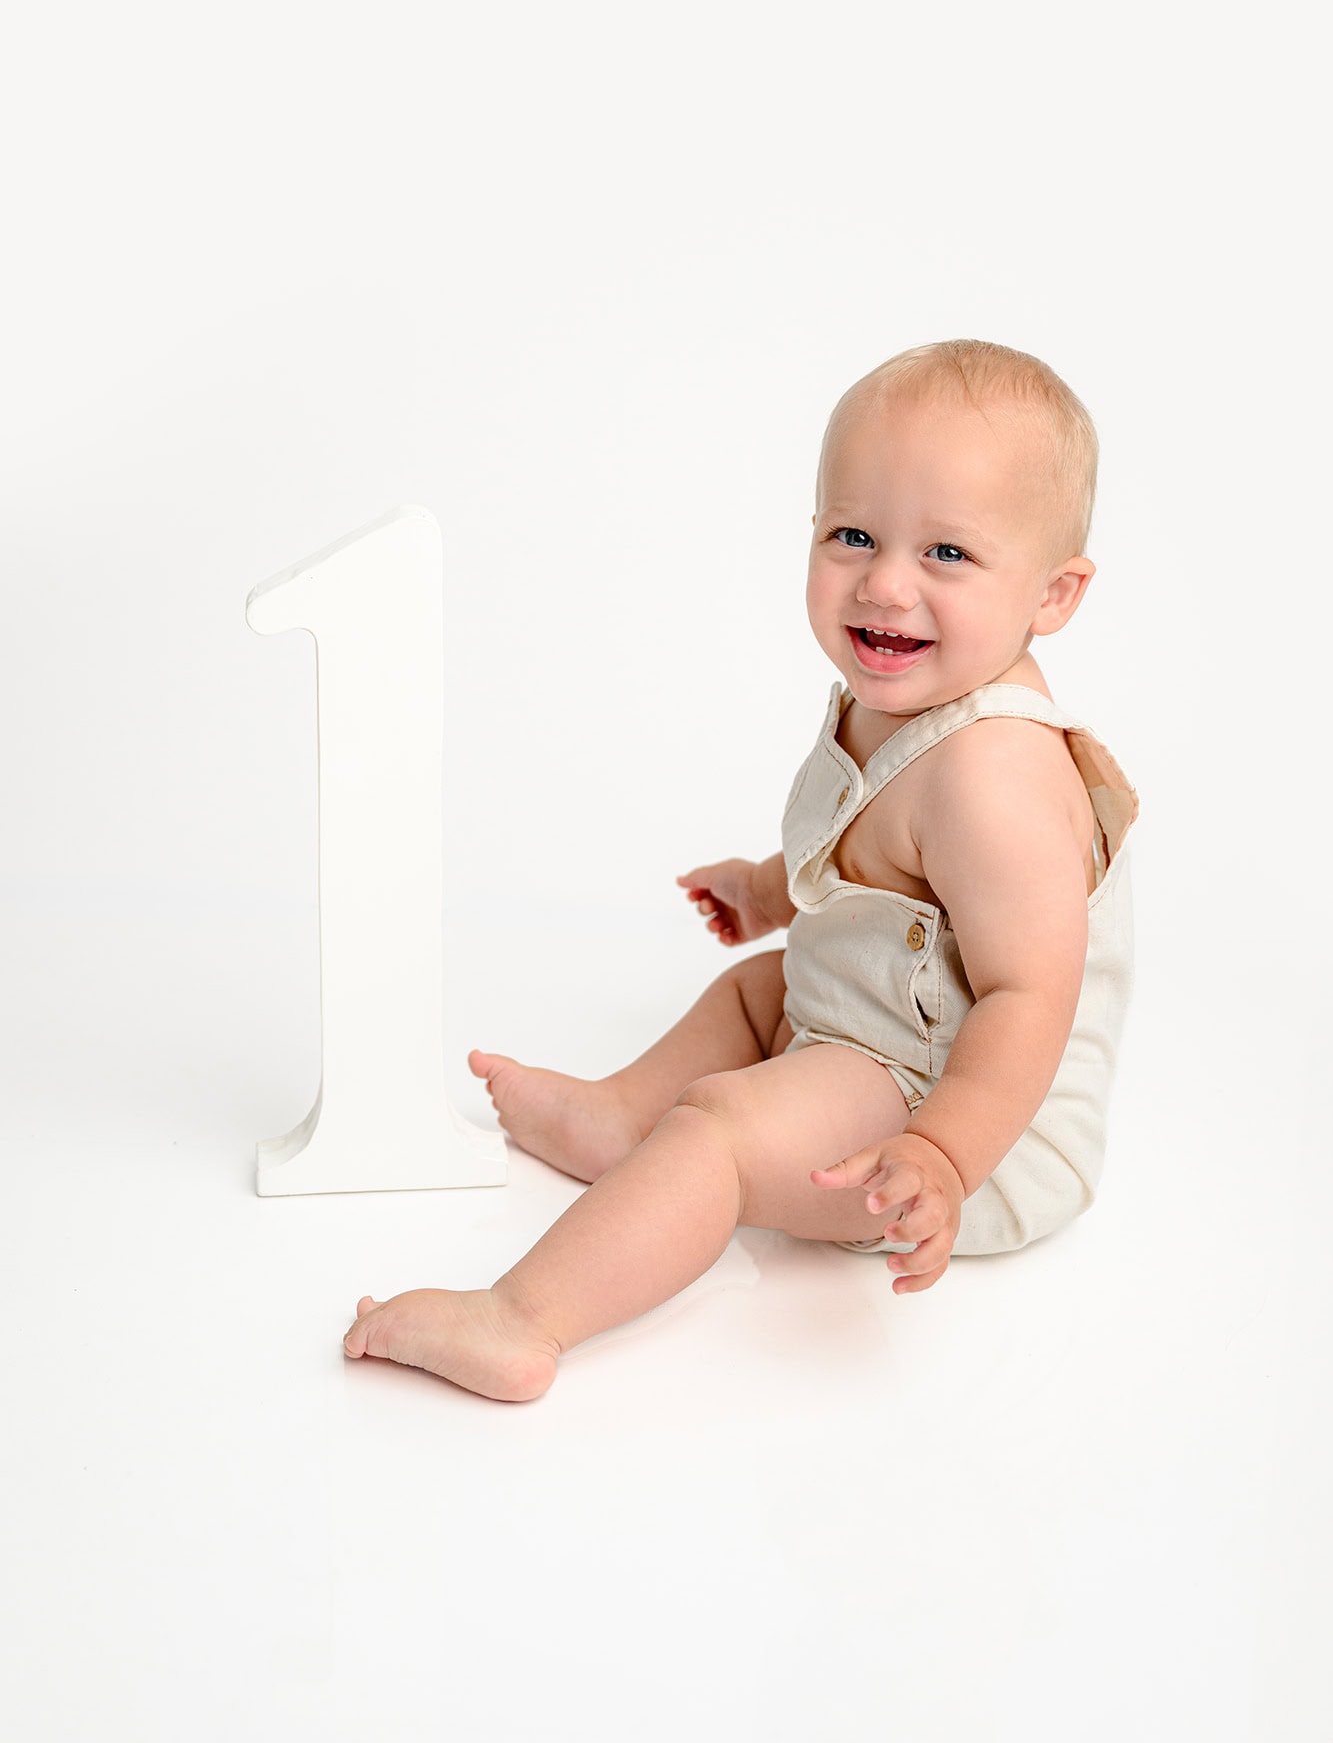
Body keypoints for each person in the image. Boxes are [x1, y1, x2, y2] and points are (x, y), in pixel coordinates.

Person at [343, 338, 1138, 1400]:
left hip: (968, 1123)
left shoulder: (996, 773)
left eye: (947, 553)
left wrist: (943, 1160)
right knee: (760, 990)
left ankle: (523, 1317)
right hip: (885, 1031)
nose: (886, 582)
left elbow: (1027, 993)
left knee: (717, 1129)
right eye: (852, 533)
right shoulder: (902, 693)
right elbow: (882, 865)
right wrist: (769, 890)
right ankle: (620, 1117)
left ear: (1054, 593)